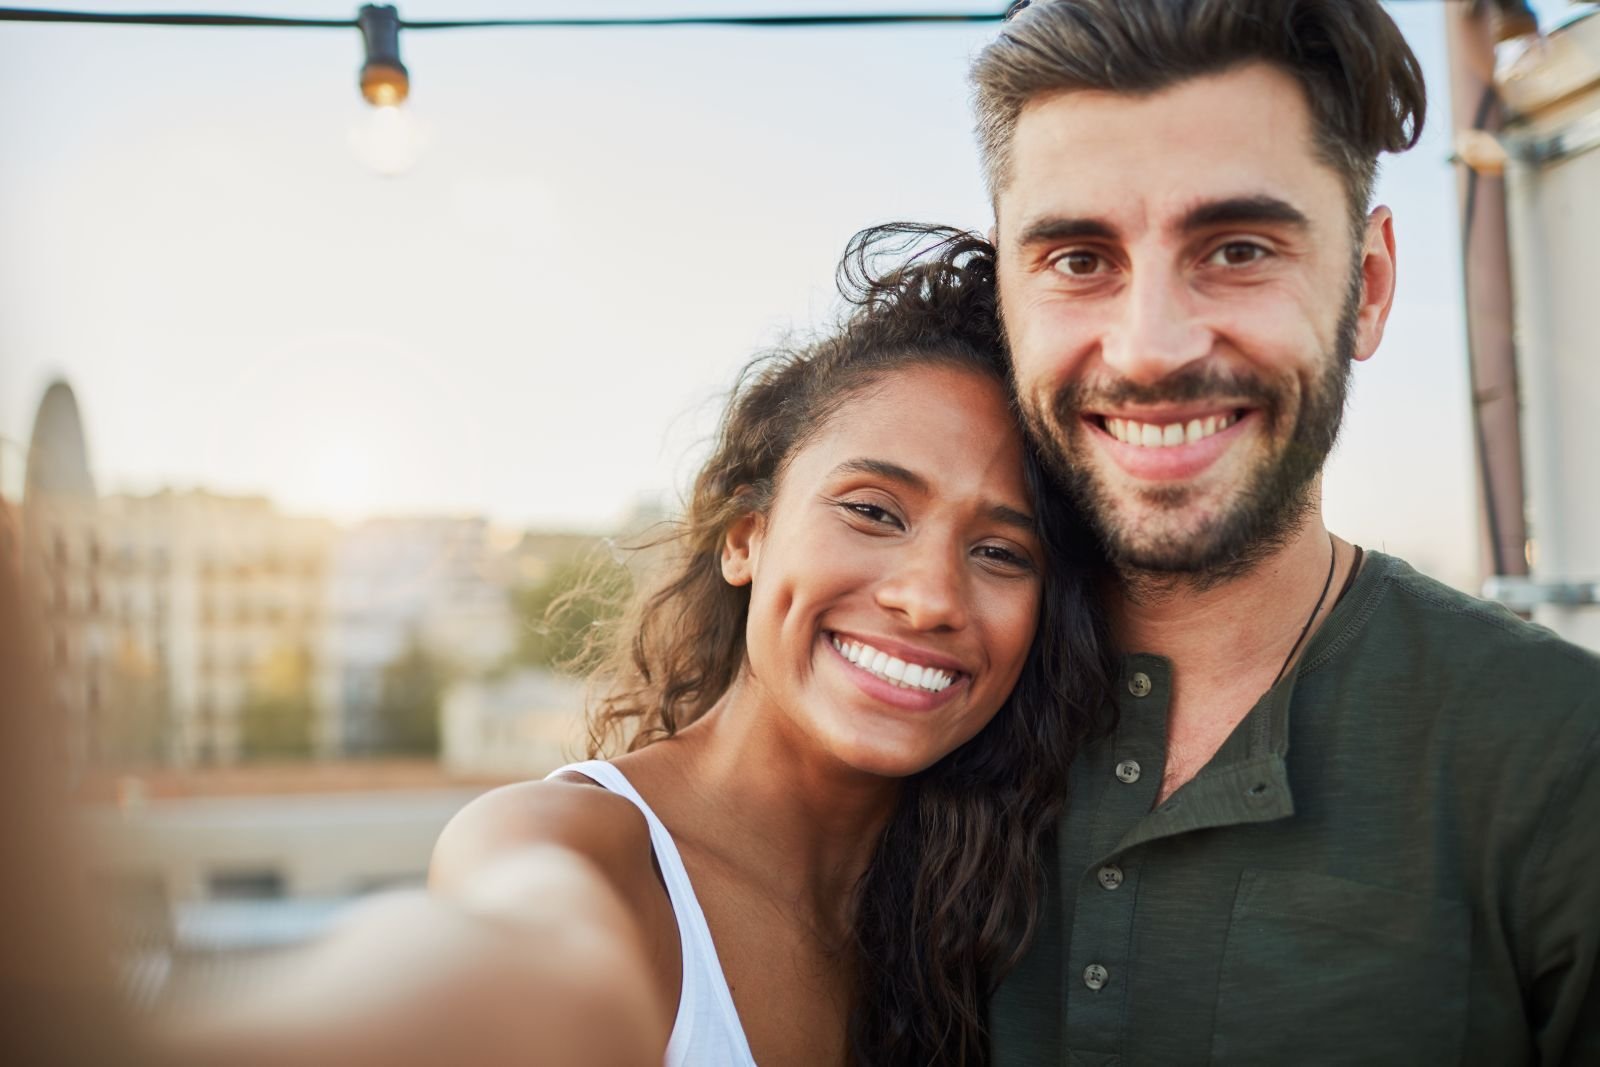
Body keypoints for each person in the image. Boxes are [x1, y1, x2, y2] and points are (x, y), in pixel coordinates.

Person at [970, 1, 1600, 1064]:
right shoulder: (908, 708)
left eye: (1237, 248)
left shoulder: (1560, 755)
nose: (1151, 347)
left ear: (1370, 284)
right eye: (1078, 259)